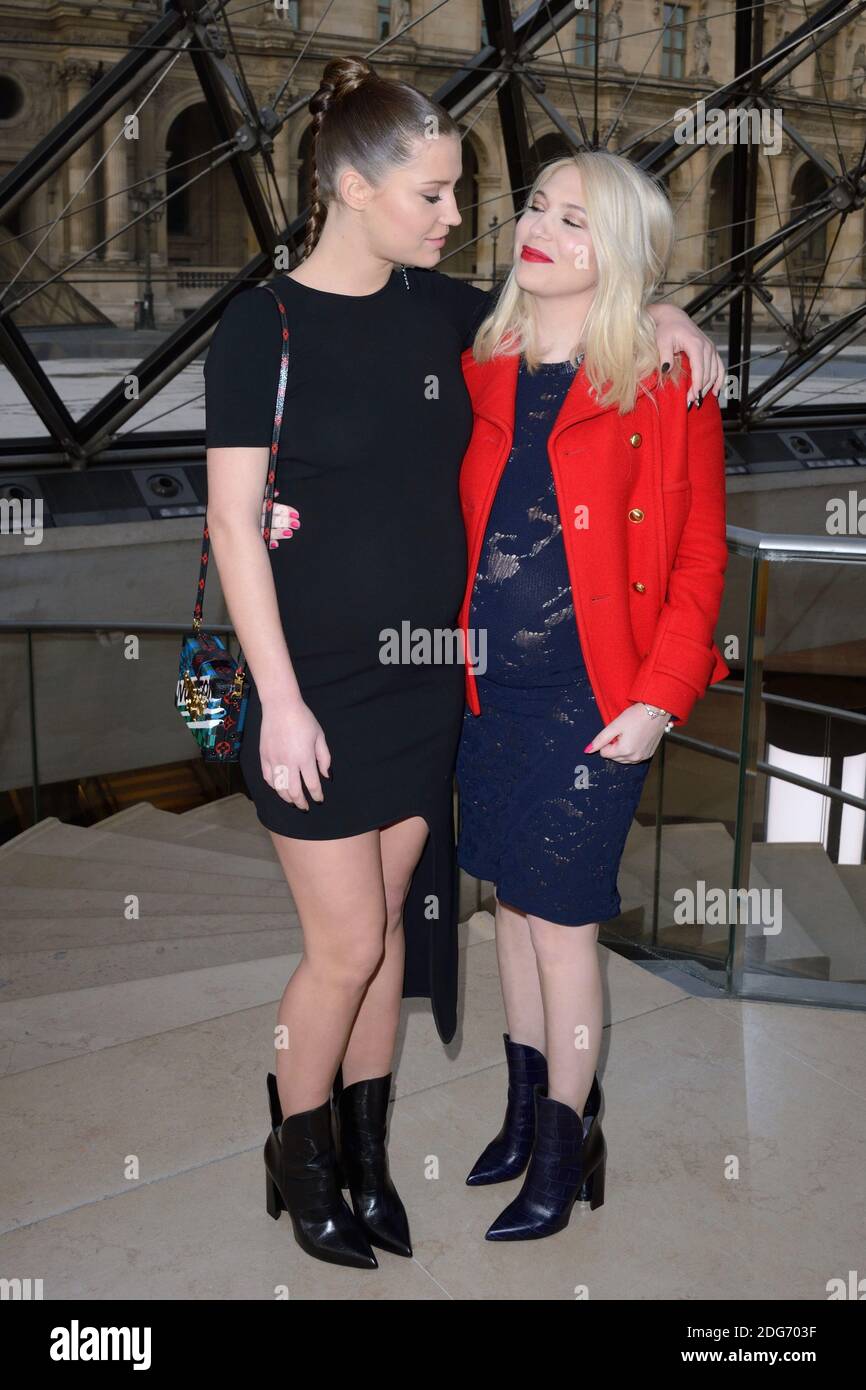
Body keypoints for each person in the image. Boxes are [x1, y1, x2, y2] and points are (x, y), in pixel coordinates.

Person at [208, 57, 724, 1268]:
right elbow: (232, 523)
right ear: (349, 187)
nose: (465, 221)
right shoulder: (265, 324)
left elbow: (583, 314)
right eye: (435, 195)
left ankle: (374, 1155)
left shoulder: (447, 312)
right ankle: (300, 1152)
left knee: (389, 929)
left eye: (462, 195)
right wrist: (275, 700)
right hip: (318, 684)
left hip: (437, 683)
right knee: (344, 947)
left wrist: (661, 311)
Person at [452, 151, 730, 1240]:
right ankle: (524, 1113)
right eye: (535, 207)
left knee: (560, 926)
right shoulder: (485, 355)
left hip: (596, 701)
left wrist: (661, 697)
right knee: (511, 914)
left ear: (616, 253)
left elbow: (699, 555)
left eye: (576, 221)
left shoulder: (664, 379)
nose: (541, 230)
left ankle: (565, 1146)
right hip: (489, 690)